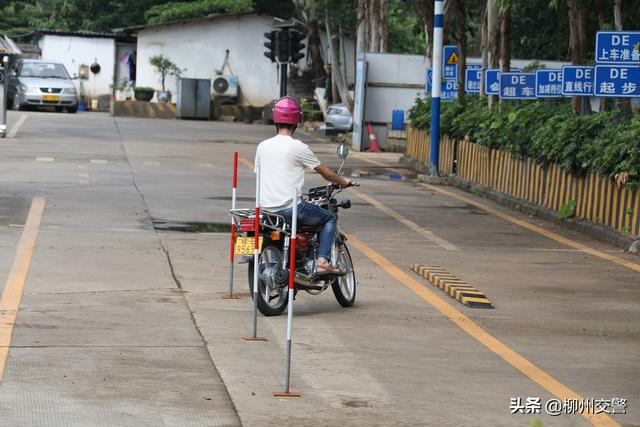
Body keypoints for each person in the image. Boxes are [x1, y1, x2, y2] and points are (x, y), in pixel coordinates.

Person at [255, 96, 349, 274]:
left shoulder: (262, 146)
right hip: (289, 208)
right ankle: (322, 262)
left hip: (265, 210)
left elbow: (262, 173)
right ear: (296, 121)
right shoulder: (298, 147)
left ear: (275, 119)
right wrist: (343, 182)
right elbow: (326, 173)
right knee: (329, 218)